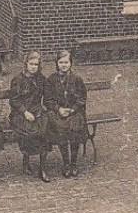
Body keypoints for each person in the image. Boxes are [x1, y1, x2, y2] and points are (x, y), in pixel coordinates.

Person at [45, 48, 89, 178]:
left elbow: (82, 98)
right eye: (61, 62)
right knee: (61, 129)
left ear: (71, 63)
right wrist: (58, 109)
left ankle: (74, 163)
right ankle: (65, 163)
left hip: (74, 112)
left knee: (75, 128)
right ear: (57, 64)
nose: (64, 65)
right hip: (57, 112)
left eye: (66, 62)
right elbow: (47, 100)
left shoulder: (77, 79)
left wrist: (72, 109)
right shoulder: (51, 80)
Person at [8, 51, 51, 181]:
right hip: (20, 114)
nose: (33, 67)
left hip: (37, 112)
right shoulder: (18, 79)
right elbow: (14, 100)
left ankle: (42, 168)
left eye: (36, 65)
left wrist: (45, 109)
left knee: (45, 130)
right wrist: (25, 112)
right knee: (29, 132)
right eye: (31, 64)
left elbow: (47, 97)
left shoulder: (41, 79)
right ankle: (26, 159)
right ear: (26, 64)